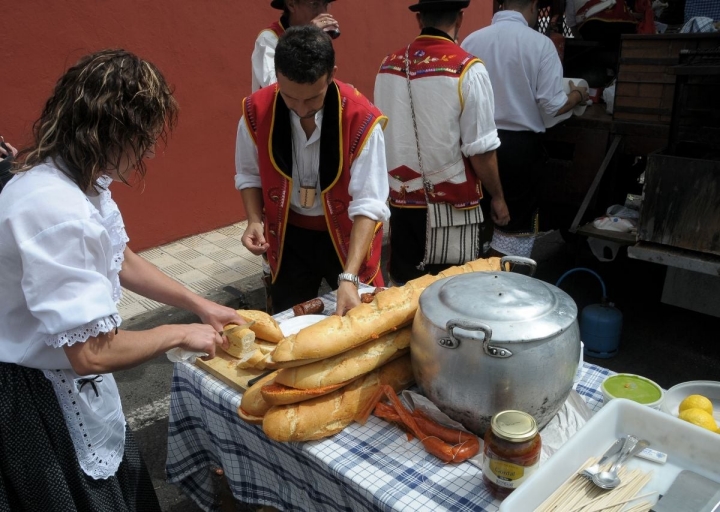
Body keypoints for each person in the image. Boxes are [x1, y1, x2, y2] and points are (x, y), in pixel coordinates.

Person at [0, 49, 240, 511]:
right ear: (109, 132)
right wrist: (179, 331)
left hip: (69, 383)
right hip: (39, 399)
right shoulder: (55, 210)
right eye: (144, 138)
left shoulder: (78, 180)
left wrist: (200, 304)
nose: (149, 151)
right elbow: (90, 353)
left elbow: (121, 259)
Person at [236, 26, 390, 316]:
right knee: (286, 321)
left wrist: (349, 277)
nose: (300, 108)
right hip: (288, 236)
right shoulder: (256, 109)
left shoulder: (361, 118)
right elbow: (248, 174)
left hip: (346, 235)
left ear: (331, 74)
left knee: (360, 320)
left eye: (312, 98)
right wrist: (254, 220)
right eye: (290, 97)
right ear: (277, 75)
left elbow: (369, 204)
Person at [374, 0, 510, 285]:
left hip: (401, 201)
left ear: (419, 18)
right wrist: (497, 195)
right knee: (455, 293)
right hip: (453, 208)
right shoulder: (467, 69)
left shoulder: (388, 66)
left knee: (404, 292)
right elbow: (481, 150)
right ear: (460, 18)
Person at [462, 0, 589, 258]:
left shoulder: (470, 42)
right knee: (514, 226)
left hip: (474, 143)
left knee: (477, 221)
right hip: (518, 150)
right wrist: (577, 95)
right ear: (532, 6)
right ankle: (504, 286)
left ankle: (472, 283)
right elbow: (552, 106)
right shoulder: (540, 45)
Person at [252, 0, 341, 91]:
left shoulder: (319, 38)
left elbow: (322, 80)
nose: (323, 12)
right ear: (291, 5)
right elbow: (274, 86)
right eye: (314, 4)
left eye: (325, 4)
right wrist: (308, 39)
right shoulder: (269, 38)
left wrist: (339, 89)